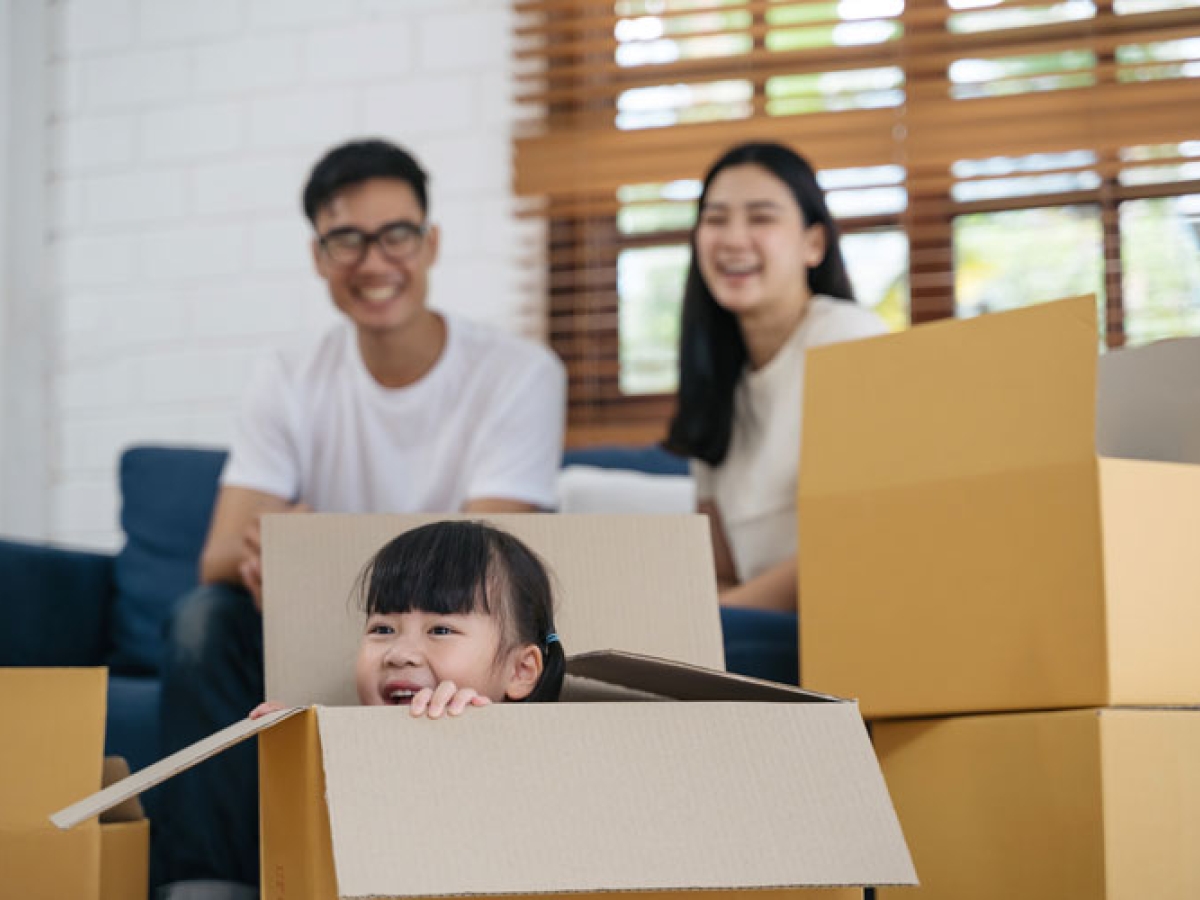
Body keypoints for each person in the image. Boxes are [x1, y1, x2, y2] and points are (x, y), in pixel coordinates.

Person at [152, 139, 565, 900]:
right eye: (347, 239)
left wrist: (313, 550)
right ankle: (208, 884)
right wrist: (263, 557)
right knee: (201, 619)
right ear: (319, 256)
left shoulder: (517, 373)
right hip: (334, 626)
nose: (374, 261)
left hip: (455, 635)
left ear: (431, 242)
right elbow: (217, 555)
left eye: (397, 235)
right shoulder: (290, 376)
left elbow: (486, 561)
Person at [663, 141, 887, 683]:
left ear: (813, 243)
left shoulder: (848, 339)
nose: (733, 239)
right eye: (715, 220)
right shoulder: (719, 384)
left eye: (761, 218)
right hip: (757, 625)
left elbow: (856, 544)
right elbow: (715, 566)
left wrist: (714, 619)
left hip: (840, 622)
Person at [253, 520, 564, 722]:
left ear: (520, 671)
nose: (400, 654)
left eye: (441, 630)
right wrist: (299, 751)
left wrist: (470, 735)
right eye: (382, 629)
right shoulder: (352, 754)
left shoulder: (539, 767)